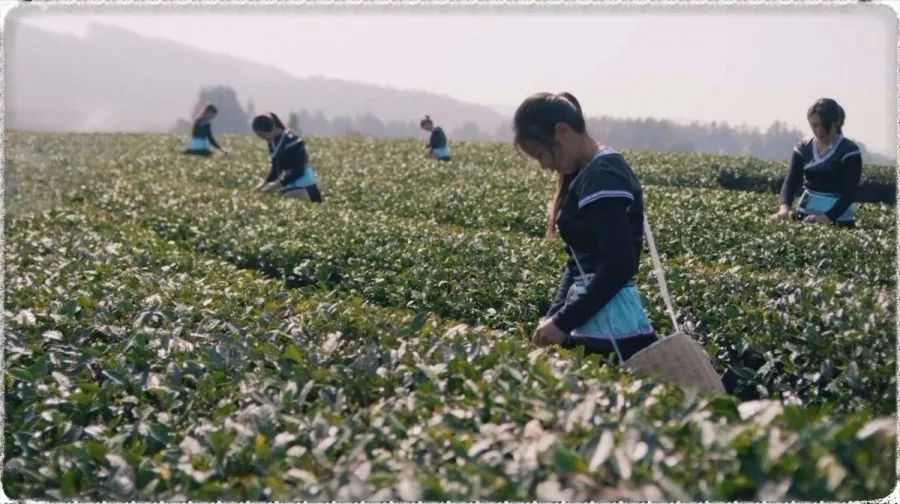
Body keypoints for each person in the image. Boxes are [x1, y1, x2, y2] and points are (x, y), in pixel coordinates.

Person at [514, 92, 657, 361]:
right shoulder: (586, 172)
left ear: (563, 131)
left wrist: (563, 321)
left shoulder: (603, 174)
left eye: (540, 154)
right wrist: (555, 316)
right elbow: (578, 263)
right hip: (594, 316)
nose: (544, 165)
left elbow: (620, 264)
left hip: (611, 323)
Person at [772, 98, 862, 228]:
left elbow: (850, 193)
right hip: (804, 213)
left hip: (839, 218)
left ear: (836, 122)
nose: (819, 131)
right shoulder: (803, 148)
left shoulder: (849, 151)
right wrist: (784, 209)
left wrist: (827, 217)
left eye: (825, 125)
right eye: (814, 126)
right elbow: (790, 182)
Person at [251, 113, 323, 202]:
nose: (263, 139)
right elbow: (276, 168)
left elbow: (299, 171)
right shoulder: (272, 142)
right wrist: (264, 183)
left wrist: (276, 185)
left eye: (263, 135)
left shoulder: (293, 142)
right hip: (289, 184)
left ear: (271, 129)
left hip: (305, 185)